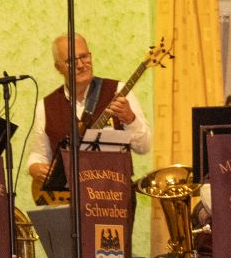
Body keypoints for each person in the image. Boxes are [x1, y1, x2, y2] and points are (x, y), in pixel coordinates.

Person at [24, 32, 152, 201]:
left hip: (115, 199)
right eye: (72, 61)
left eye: (84, 56)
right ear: (58, 67)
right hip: (68, 202)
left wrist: (130, 119)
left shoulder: (118, 91)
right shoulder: (45, 106)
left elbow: (144, 147)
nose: (81, 65)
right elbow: (39, 154)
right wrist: (34, 168)